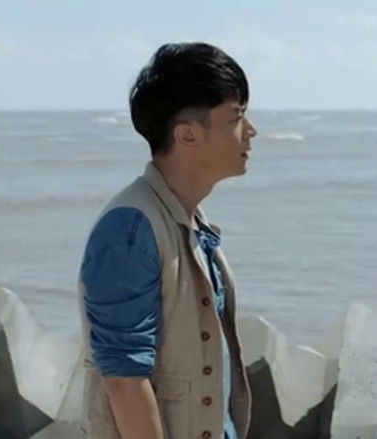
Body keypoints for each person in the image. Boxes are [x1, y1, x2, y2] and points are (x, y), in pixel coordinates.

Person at [77, 42, 257, 439]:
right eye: (236, 117)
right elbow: (124, 380)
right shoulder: (129, 229)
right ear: (188, 135)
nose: (251, 131)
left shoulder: (190, 220)